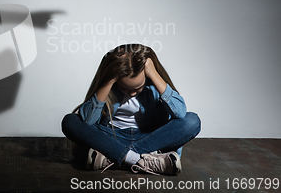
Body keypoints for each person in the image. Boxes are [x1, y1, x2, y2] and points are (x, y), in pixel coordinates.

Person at [61, 44, 201, 175]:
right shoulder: (110, 85)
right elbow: (88, 120)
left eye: (138, 88)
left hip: (150, 138)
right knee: (70, 121)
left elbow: (181, 113)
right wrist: (109, 79)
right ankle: (142, 160)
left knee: (192, 121)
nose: (132, 93)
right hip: (112, 137)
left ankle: (116, 158)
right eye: (124, 88)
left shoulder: (152, 84)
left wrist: (154, 74)